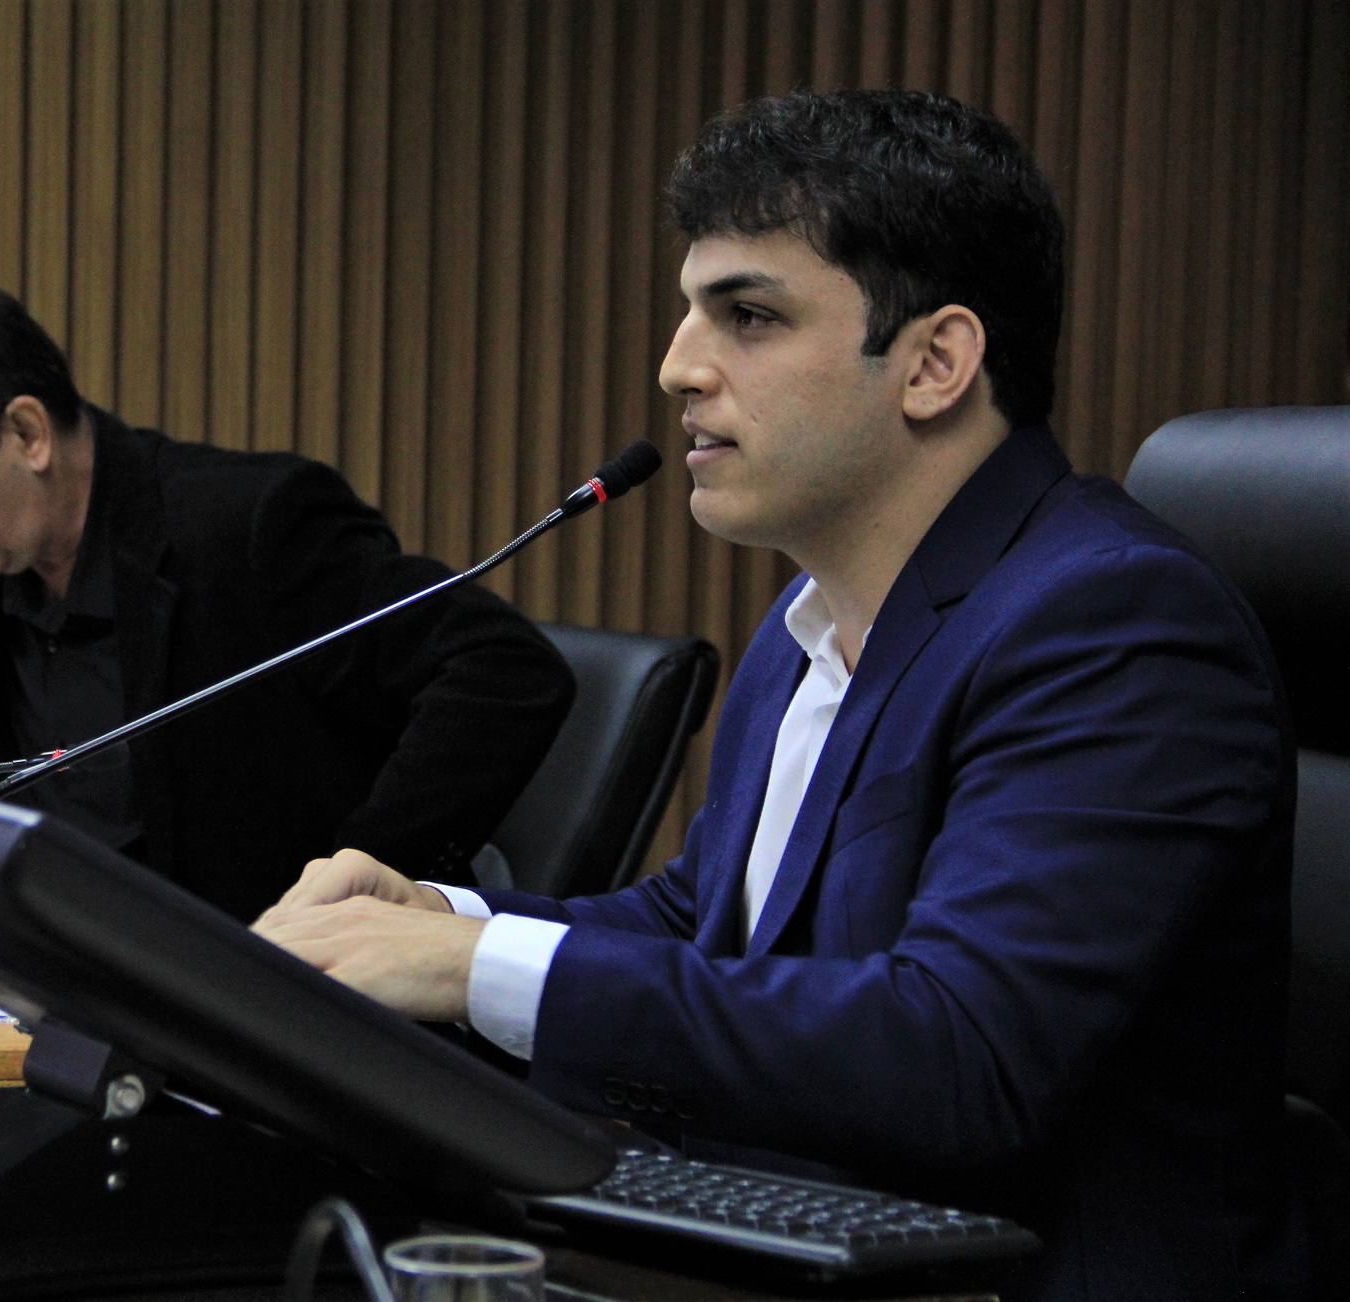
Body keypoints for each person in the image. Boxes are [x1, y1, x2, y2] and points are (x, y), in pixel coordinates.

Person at [255, 89, 1304, 1299]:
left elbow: (958, 1054)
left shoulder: (1114, 623)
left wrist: (472, 970)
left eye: (746, 316)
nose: (676, 367)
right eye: (689, 312)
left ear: (934, 363)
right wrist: (443, 921)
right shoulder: (814, 618)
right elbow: (706, 921)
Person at [0, 266, 574, 922]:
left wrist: (365, 873)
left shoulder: (253, 528)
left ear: (26, 433)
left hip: (239, 993)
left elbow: (502, 671)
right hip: (33, 978)